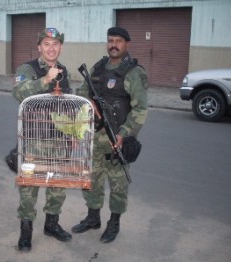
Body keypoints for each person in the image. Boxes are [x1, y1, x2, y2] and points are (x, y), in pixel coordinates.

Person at [72, 26, 148, 243]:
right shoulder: (97, 68)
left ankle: (114, 223)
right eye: (110, 40)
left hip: (117, 140)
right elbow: (82, 93)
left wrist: (124, 133)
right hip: (94, 136)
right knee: (92, 180)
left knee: (118, 185)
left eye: (118, 41)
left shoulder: (134, 73)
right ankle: (92, 218)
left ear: (127, 44)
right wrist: (90, 105)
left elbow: (141, 110)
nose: (113, 44)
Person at [12, 28, 73, 252]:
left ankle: (51, 225)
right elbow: (18, 93)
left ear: (61, 48)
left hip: (59, 142)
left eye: (55, 44)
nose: (51, 48)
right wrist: (45, 79)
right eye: (46, 44)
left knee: (57, 186)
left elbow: (67, 105)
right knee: (29, 189)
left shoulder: (64, 71)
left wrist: (72, 134)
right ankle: (26, 232)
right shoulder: (27, 69)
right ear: (39, 47)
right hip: (34, 141)